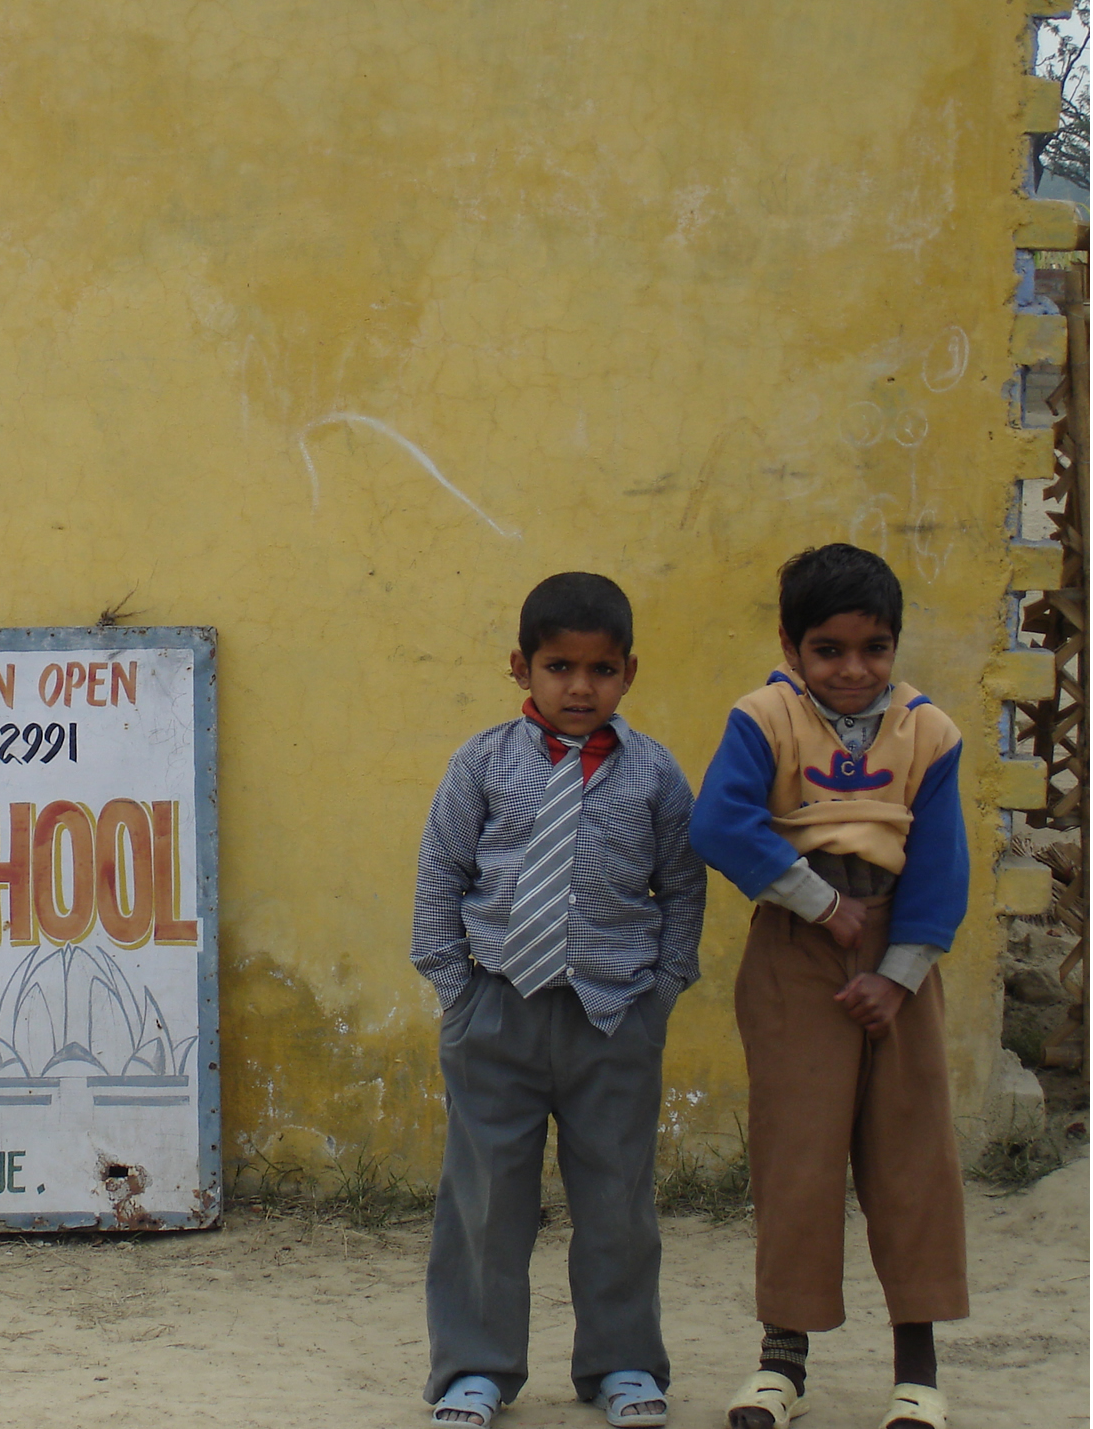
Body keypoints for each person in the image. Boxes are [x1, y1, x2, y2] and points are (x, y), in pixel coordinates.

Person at [411, 572, 706, 1428]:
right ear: (521, 668)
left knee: (617, 1201)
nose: (580, 688)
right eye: (558, 667)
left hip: (613, 1016)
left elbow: (682, 886)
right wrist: (455, 986)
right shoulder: (483, 762)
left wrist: (662, 990)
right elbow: (442, 870)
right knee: (484, 1201)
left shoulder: (653, 775)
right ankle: (474, 1368)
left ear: (629, 672)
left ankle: (623, 1365)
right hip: (497, 1008)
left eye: (602, 669)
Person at [689, 544, 967, 1429]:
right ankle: (782, 1364)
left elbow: (941, 863)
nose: (853, 670)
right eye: (829, 650)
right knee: (797, 1155)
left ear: (895, 644)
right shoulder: (764, 718)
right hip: (796, 949)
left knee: (910, 1154)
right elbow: (721, 822)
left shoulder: (930, 731)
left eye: (874, 648)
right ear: (791, 645)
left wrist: (898, 975)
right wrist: (820, 906)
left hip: (900, 952)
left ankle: (916, 1372)